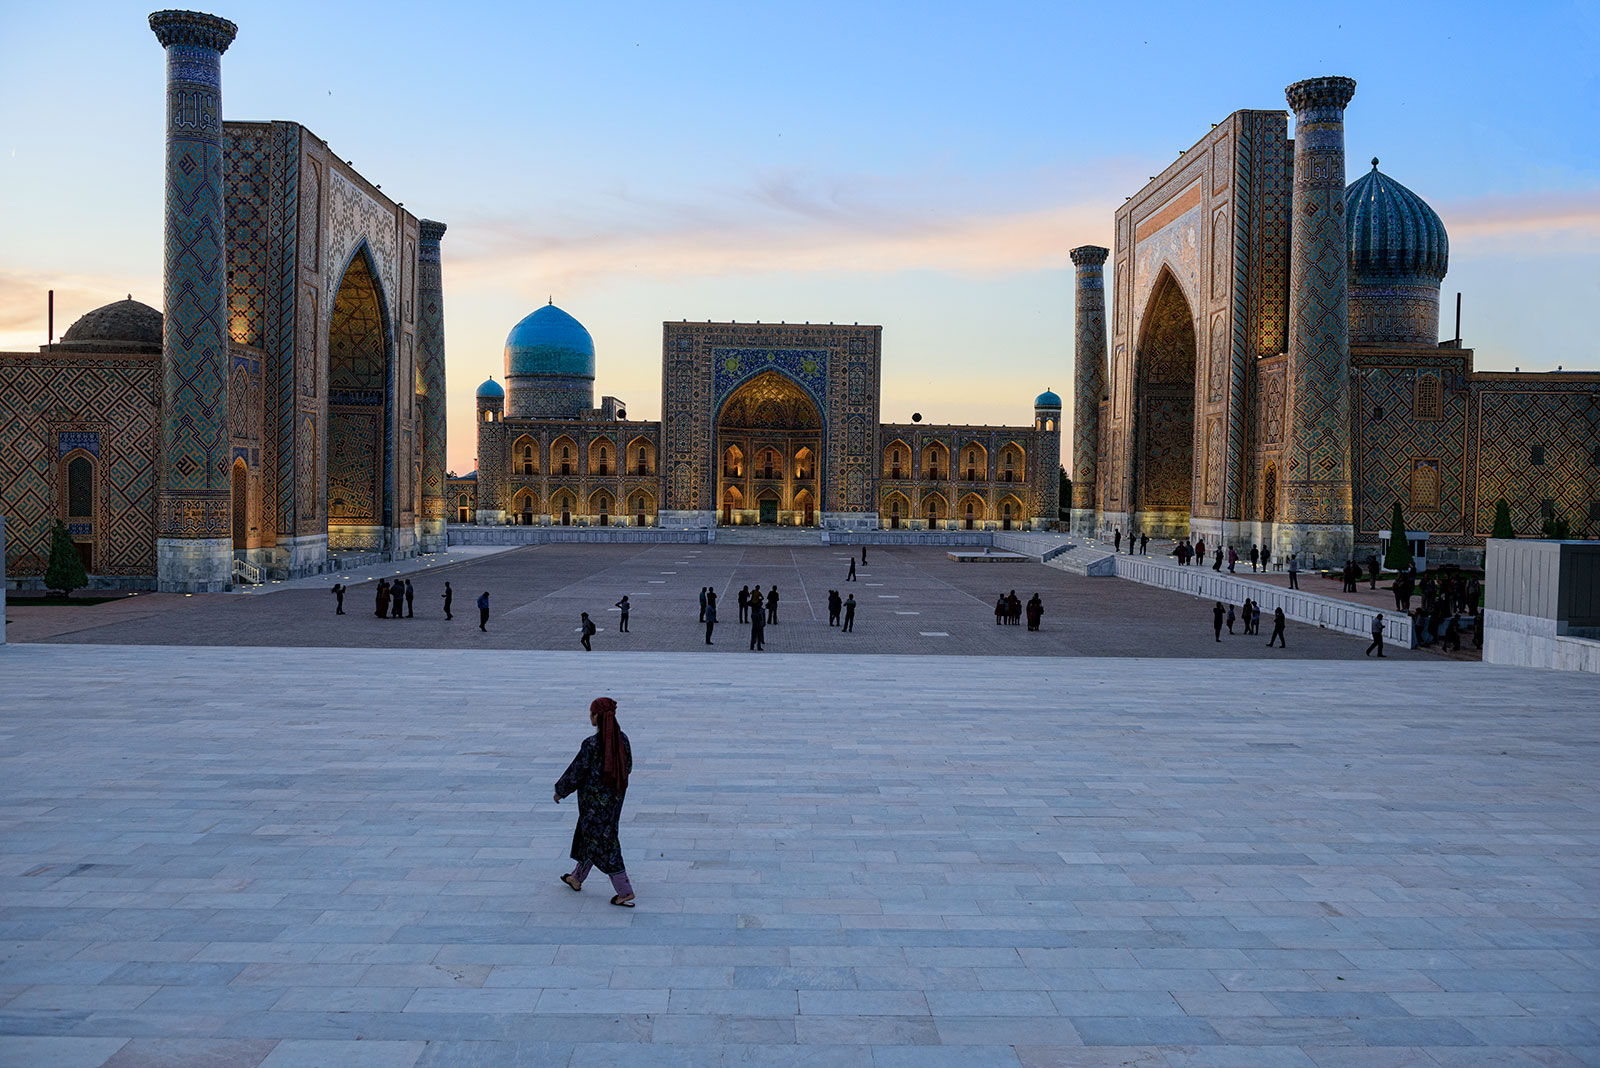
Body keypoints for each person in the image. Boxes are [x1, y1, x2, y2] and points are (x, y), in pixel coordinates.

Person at [555, 697, 635, 907]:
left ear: (597, 716)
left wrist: (560, 792)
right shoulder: (623, 739)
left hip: (593, 806)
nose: (589, 717)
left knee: (605, 843)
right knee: (588, 837)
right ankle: (576, 878)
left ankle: (624, 891)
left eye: (591, 713)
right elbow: (628, 767)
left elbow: (576, 773)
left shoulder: (591, 744)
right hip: (615, 802)